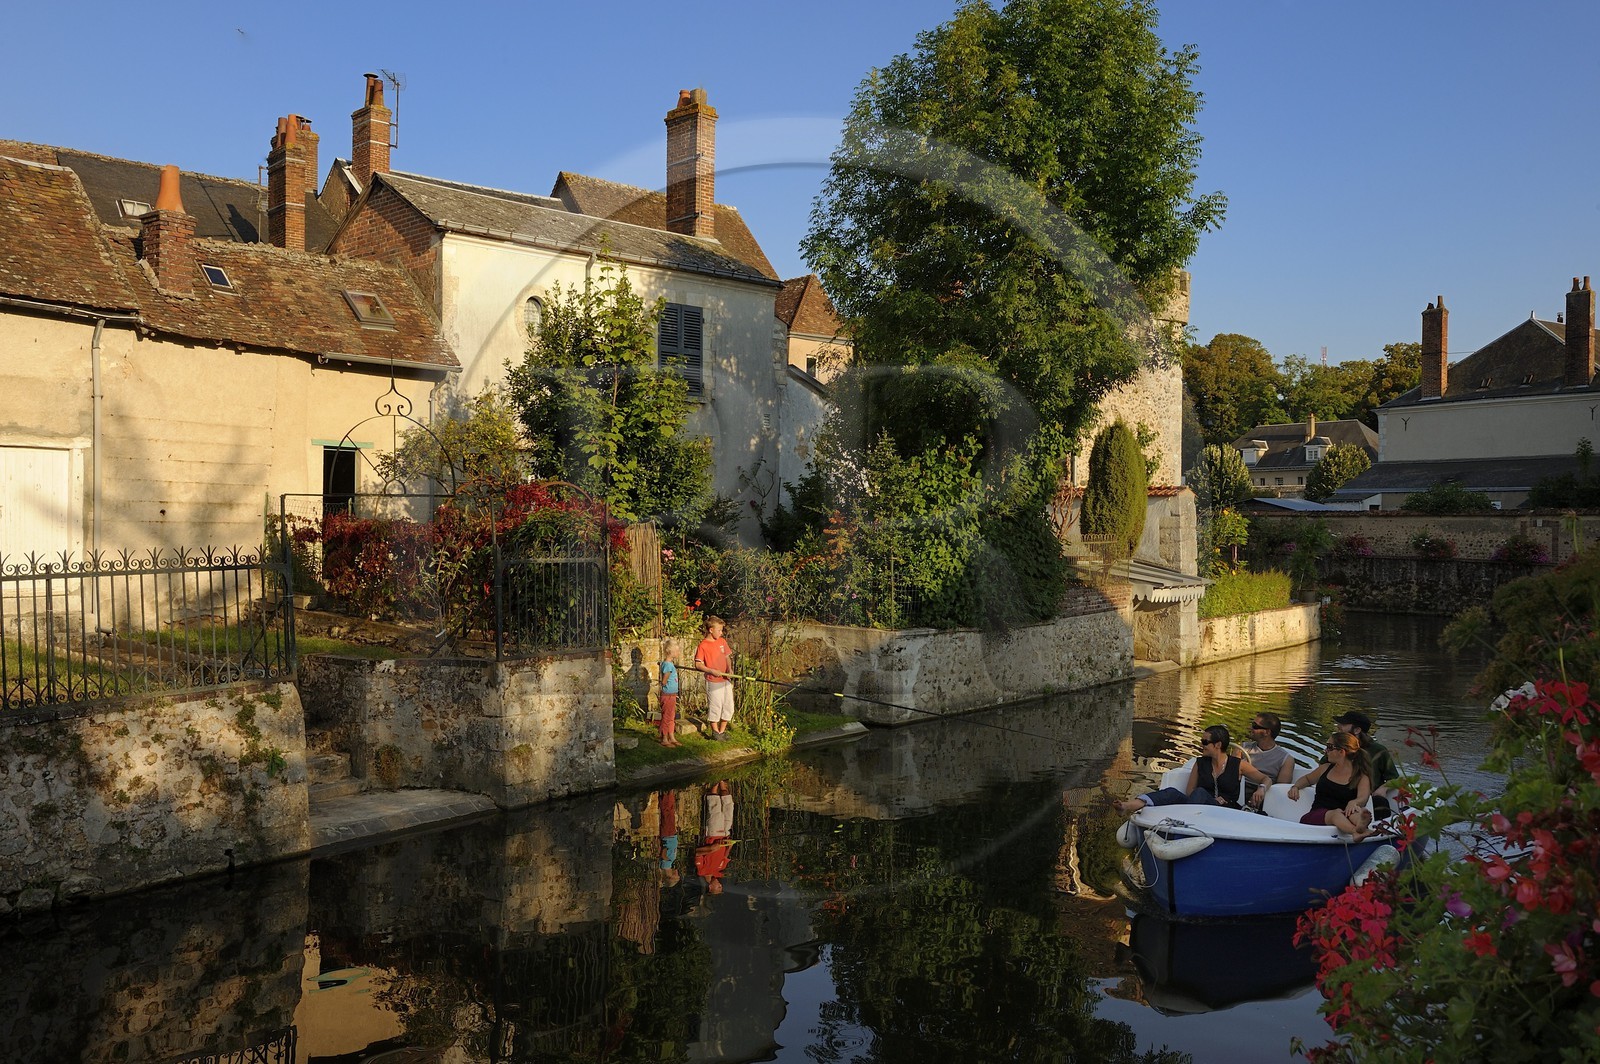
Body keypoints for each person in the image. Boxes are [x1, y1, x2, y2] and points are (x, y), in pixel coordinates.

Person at [1115, 725, 1276, 814]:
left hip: (1226, 811)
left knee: (1199, 792)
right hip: (1198, 807)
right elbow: (1190, 792)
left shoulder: (1238, 764)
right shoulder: (1200, 763)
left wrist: (1261, 789)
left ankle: (1181, 822)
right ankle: (1128, 806)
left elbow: (1266, 779)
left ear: (1218, 745)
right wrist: (1207, 799)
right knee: (1172, 792)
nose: (1201, 745)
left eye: (1205, 742)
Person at [1289, 731, 1376, 840]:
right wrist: (1295, 787)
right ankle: (1356, 832)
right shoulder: (1325, 768)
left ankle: (1360, 824)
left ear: (1341, 752)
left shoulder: (1361, 776)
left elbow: (1363, 797)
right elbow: (1307, 779)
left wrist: (1354, 802)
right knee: (1336, 813)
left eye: (1329, 747)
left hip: (1344, 817)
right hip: (1316, 816)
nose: (1326, 751)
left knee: (1354, 813)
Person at [1332, 710, 1398, 817]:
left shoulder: (1378, 750)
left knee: (1380, 802)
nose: (1339, 726)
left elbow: (1395, 778)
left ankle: (1382, 830)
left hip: (1368, 801)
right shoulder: (1335, 746)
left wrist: (1383, 789)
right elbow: (1322, 769)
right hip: (1341, 797)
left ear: (1357, 730)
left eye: (1343, 724)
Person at [1243, 711, 1298, 809]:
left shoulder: (1286, 759)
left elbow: (1280, 790)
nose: (1250, 728)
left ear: (1267, 732)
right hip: (1239, 788)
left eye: (1254, 726)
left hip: (1263, 795)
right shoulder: (1242, 749)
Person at [694, 616, 735, 741]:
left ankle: (722, 731)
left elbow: (727, 657)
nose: (721, 632)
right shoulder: (703, 645)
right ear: (711, 630)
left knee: (729, 706)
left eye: (722, 630)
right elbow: (698, 664)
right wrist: (711, 670)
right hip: (713, 681)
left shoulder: (722, 641)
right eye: (719, 630)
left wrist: (729, 669)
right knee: (715, 706)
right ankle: (715, 731)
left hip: (725, 680)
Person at [695, 779, 735, 895]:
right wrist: (730, 845)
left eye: (718, 888)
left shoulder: (701, 871)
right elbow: (726, 855)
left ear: (710, 888)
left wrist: (711, 848)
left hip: (713, 833)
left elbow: (697, 852)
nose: (720, 885)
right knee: (729, 807)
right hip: (725, 834)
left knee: (715, 808)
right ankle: (722, 783)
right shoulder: (720, 871)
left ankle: (715, 784)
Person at [657, 638, 682, 747]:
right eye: (677, 651)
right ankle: (664, 737)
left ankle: (671, 736)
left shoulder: (670, 664)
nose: (678, 653)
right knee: (667, 716)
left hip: (672, 694)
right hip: (667, 694)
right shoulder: (667, 665)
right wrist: (663, 682)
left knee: (671, 716)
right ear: (670, 652)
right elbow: (665, 676)